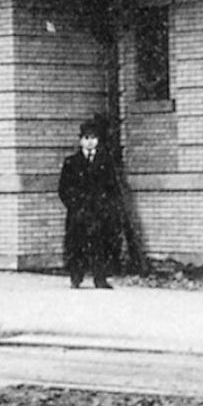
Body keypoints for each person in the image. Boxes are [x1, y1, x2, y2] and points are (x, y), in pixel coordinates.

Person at [58, 121, 124, 289]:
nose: (90, 142)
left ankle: (100, 278)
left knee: (100, 245)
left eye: (93, 138)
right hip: (79, 212)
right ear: (80, 140)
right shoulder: (71, 162)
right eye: (86, 138)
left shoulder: (105, 162)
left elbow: (112, 188)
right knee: (76, 245)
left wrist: (107, 207)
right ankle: (76, 277)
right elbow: (64, 189)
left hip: (99, 212)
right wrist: (76, 205)